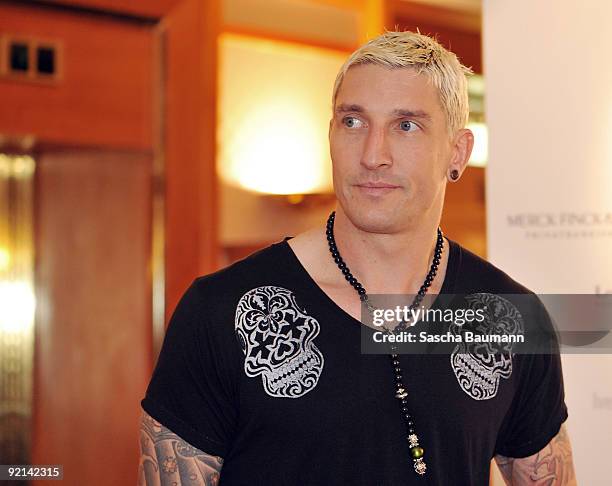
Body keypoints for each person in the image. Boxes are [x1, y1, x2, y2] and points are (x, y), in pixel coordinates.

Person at [138, 30, 576, 485]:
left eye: (406, 125)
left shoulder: (512, 318)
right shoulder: (221, 310)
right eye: (353, 122)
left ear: (458, 152)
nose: (373, 155)